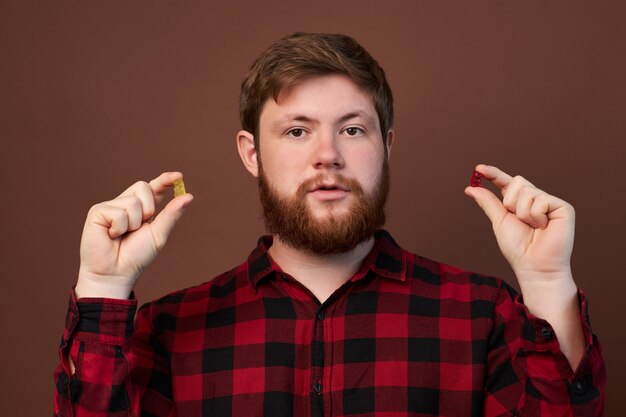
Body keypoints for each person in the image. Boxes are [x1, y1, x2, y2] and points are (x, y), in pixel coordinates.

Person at [53, 32, 605, 416]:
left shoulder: (484, 313)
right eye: (296, 131)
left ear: (385, 147)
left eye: (353, 130)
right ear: (251, 154)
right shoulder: (169, 331)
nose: (327, 156)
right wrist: (103, 289)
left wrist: (547, 283)